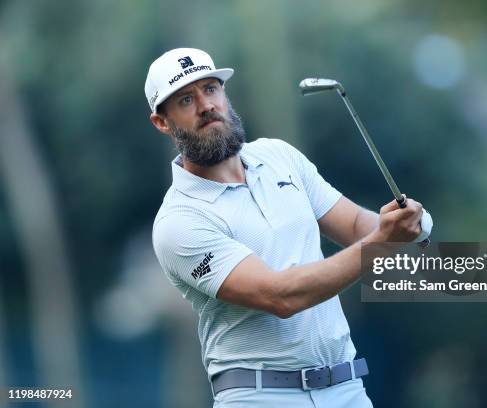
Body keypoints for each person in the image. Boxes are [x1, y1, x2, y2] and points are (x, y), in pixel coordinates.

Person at [146, 47, 432, 407]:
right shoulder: (179, 221)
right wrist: (381, 241)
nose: (206, 105)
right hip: (259, 396)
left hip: (347, 389)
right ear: (162, 122)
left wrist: (400, 224)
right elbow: (280, 297)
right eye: (187, 99)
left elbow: (359, 225)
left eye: (211, 88)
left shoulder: (279, 156)